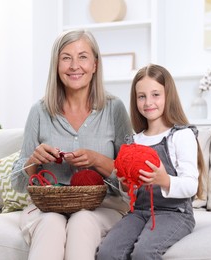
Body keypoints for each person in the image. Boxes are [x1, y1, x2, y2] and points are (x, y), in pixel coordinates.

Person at [11, 29, 133, 260]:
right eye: (66, 57)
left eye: (83, 57)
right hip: (48, 207)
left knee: (82, 221)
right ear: (56, 65)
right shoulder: (39, 111)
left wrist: (97, 161)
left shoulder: (114, 109)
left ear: (95, 64)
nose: (74, 65)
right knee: (50, 224)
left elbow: (131, 179)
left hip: (103, 207)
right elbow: (17, 182)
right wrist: (33, 161)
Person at [96, 64, 206, 260]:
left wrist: (164, 180)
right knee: (107, 252)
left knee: (144, 253)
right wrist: (124, 183)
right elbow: (130, 194)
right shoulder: (134, 141)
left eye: (156, 94)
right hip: (139, 211)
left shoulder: (181, 136)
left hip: (175, 213)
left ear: (168, 95)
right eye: (141, 96)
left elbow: (191, 185)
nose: (148, 102)